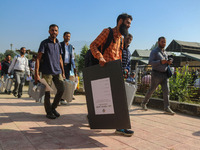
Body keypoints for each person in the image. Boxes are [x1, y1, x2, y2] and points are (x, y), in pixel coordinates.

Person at [90, 13, 133, 137]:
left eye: (130, 24)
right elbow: (93, 45)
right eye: (127, 23)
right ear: (120, 21)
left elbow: (118, 56)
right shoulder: (107, 32)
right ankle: (94, 117)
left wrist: (122, 69)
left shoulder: (120, 38)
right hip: (104, 70)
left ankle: (120, 126)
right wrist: (100, 57)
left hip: (115, 71)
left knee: (119, 99)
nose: (129, 26)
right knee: (102, 99)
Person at [35, 24, 65, 119]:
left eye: (56, 30)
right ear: (49, 31)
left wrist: (63, 72)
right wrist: (36, 73)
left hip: (57, 71)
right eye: (52, 30)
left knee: (61, 89)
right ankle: (48, 112)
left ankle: (53, 108)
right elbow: (38, 58)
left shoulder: (59, 44)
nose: (54, 32)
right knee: (47, 93)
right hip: (47, 72)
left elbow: (60, 59)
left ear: (58, 32)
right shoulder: (44, 43)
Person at [141, 37, 175, 115]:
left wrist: (169, 62)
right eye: (162, 42)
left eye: (165, 42)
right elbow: (150, 62)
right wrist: (160, 61)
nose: (164, 43)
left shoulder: (165, 52)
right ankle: (144, 103)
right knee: (152, 90)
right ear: (158, 42)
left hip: (165, 74)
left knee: (166, 91)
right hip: (156, 74)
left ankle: (167, 108)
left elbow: (166, 62)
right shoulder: (154, 51)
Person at [60, 31, 76, 105]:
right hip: (60, 66)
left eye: (69, 36)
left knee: (66, 82)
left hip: (67, 67)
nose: (68, 37)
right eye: (66, 36)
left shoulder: (71, 47)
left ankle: (63, 98)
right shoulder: (59, 45)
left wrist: (74, 67)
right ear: (63, 37)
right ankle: (59, 98)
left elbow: (72, 58)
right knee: (60, 82)